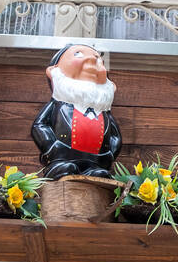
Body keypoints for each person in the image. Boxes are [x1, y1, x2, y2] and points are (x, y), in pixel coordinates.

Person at [32, 43, 122, 178]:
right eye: (78, 54)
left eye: (98, 59)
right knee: (67, 168)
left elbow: (115, 136)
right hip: (62, 155)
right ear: (53, 71)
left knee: (100, 174)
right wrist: (51, 146)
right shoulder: (58, 105)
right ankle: (59, 168)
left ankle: (94, 170)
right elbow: (39, 125)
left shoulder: (103, 111)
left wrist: (109, 153)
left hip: (97, 160)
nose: (91, 60)